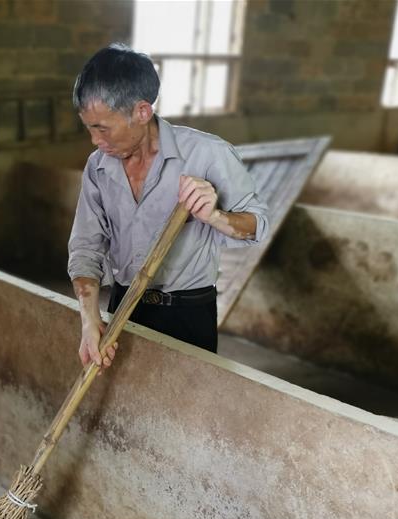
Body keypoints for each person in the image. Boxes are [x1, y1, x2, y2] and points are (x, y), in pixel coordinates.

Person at [67, 44, 268, 368]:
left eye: (102, 128)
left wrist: (215, 216)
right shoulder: (98, 167)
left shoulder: (208, 154)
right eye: (88, 127)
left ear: (142, 112)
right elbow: (85, 246)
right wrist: (89, 321)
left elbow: (258, 226)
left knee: (188, 411)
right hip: (123, 306)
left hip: (187, 313)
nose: (94, 140)